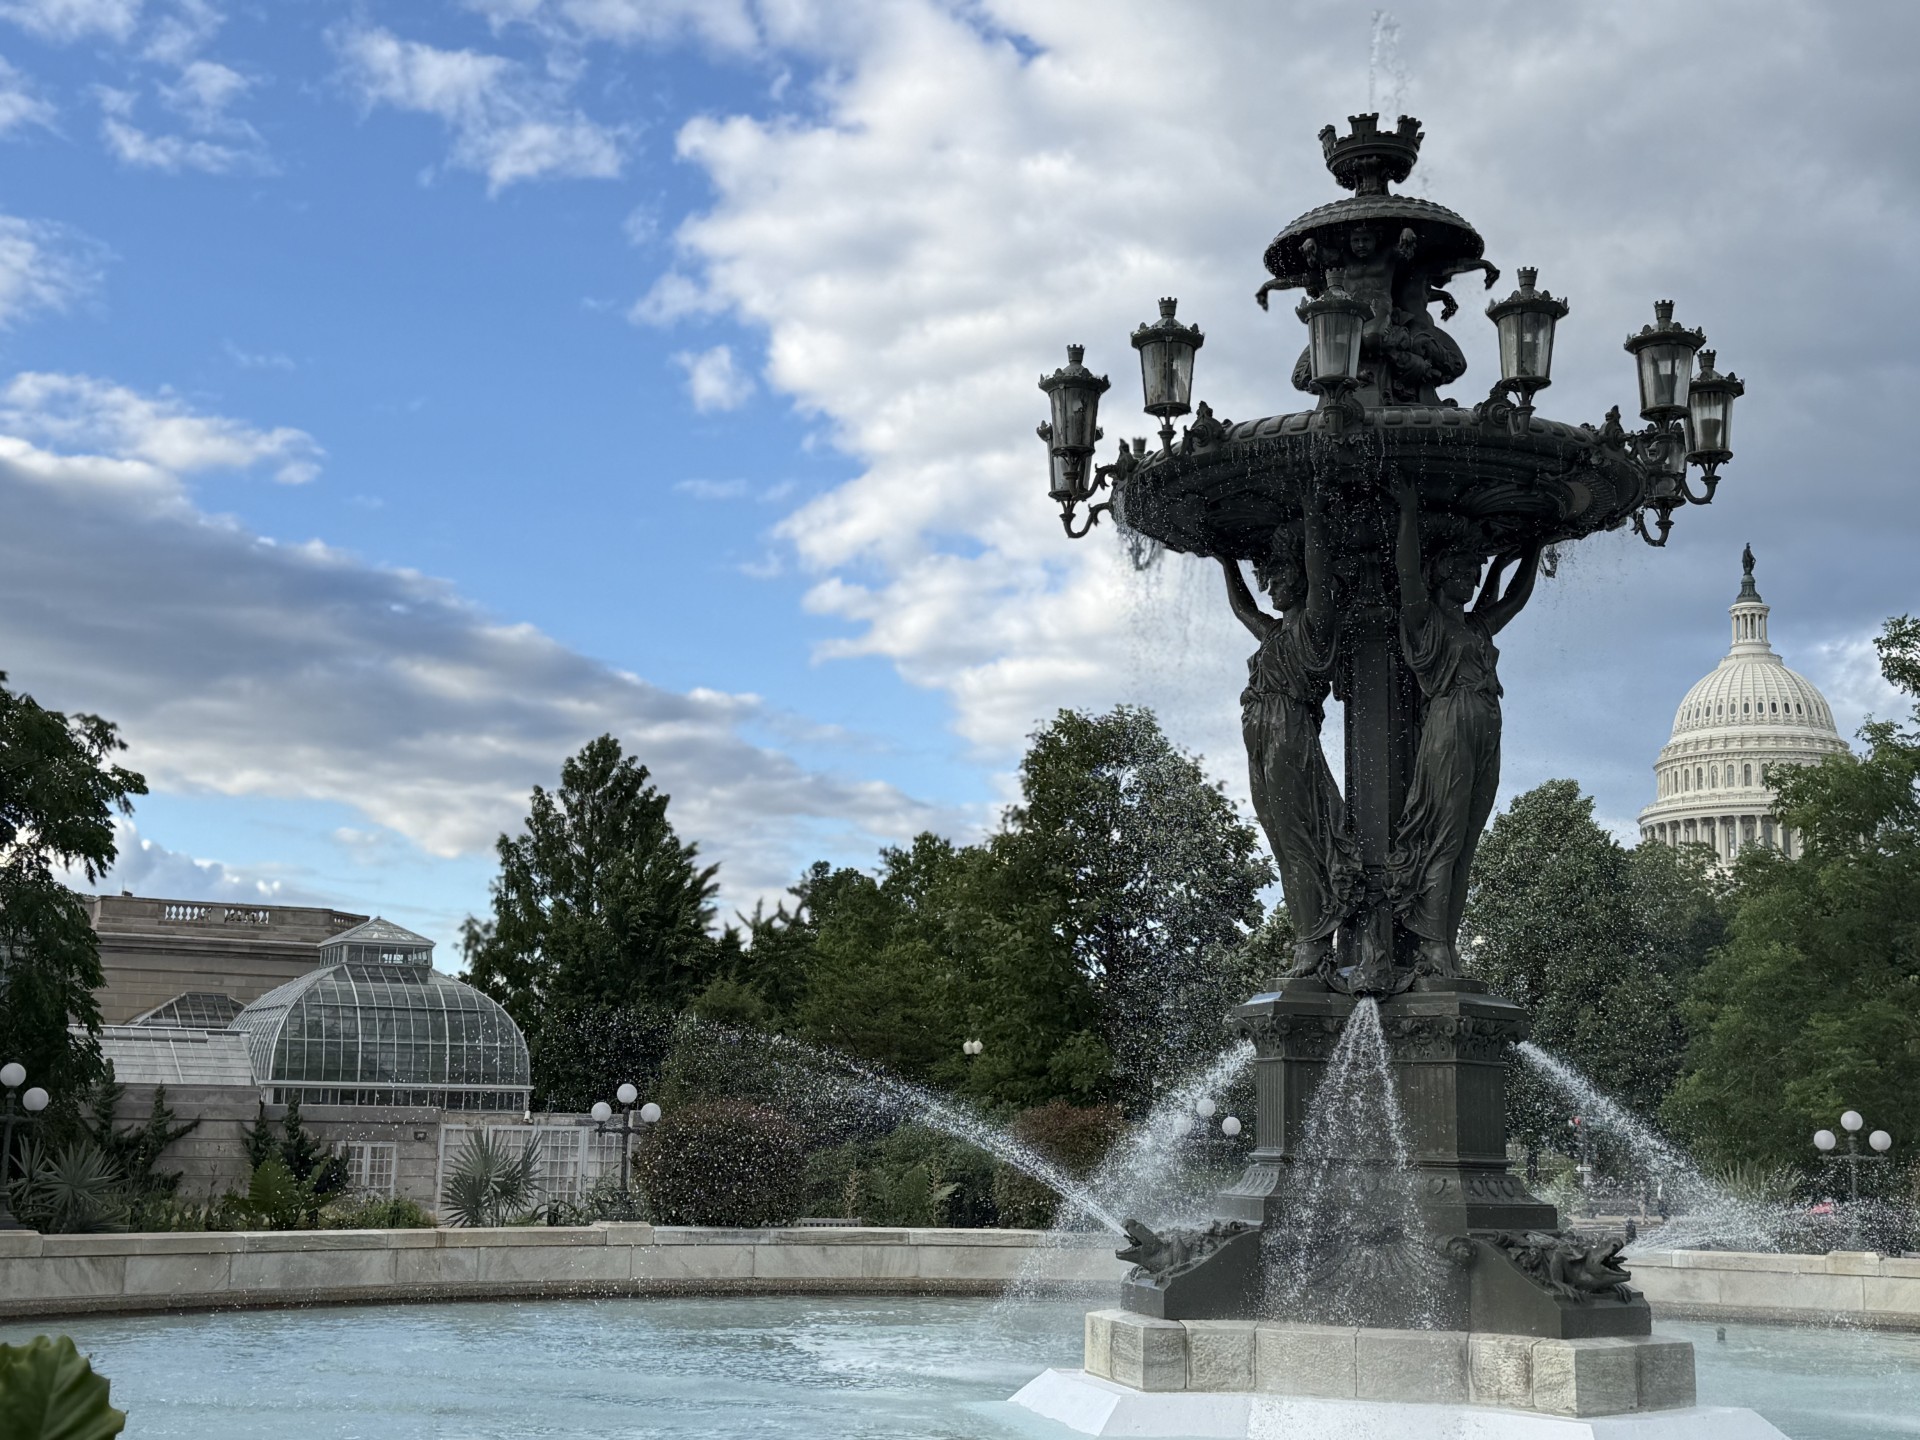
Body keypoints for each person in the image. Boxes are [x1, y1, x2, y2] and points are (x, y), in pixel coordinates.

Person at [1384, 474, 1541, 976]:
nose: (1471, 577)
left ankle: (1447, 942)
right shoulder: (1423, 621)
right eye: (1460, 568)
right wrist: (1407, 505)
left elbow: (1514, 599)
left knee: (1468, 838)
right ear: (1437, 572)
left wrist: (1535, 546)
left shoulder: (1474, 626)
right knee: (1444, 836)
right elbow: (1406, 571)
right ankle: (1430, 944)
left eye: (1476, 570)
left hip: (1485, 724)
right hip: (1450, 723)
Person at [1219, 483, 1359, 977]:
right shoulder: (1276, 633)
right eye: (1269, 575)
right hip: (1262, 736)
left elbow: (1321, 578)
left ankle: (1313, 942)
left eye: (1280, 574)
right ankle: (1312, 936)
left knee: (1296, 839)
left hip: (1287, 736)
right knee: (1279, 836)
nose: (1271, 583)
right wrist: (1223, 558)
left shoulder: (1315, 625)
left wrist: (1313, 512)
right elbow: (1243, 609)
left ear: (1303, 577)